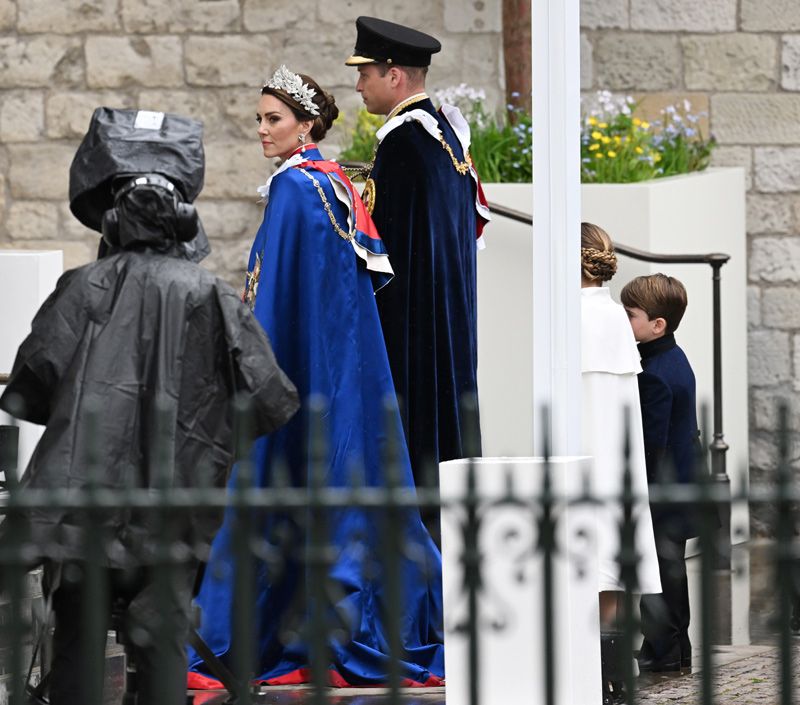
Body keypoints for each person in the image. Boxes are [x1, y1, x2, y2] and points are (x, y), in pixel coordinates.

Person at [0, 107, 300, 705]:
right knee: (161, 640)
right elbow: (271, 398)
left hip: (86, 509)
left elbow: (30, 387)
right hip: (175, 508)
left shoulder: (81, 288)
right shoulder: (210, 294)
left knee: (79, 645)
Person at [187, 67, 445, 689]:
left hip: (298, 370)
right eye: (259, 119)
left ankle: (259, 638)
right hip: (341, 370)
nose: (262, 131)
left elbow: (271, 296)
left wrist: (254, 370)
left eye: (273, 119)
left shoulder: (297, 189)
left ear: (306, 124)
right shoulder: (331, 182)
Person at [345, 17, 491, 513]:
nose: (358, 84)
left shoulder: (405, 143)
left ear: (394, 76)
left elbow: (392, 258)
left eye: (365, 73)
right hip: (447, 325)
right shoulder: (444, 134)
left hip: (416, 335)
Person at [580, 223, 662, 705]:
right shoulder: (615, 317)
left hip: (582, 453)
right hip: (615, 459)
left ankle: (597, 671)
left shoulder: (567, 314)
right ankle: (615, 675)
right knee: (611, 557)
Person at [621, 273, 699, 673]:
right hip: (683, 485)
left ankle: (662, 652)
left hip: (662, 492)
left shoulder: (651, 371)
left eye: (630, 314)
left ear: (657, 325)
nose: (623, 320)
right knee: (672, 573)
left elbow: (653, 444)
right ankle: (676, 648)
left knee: (658, 576)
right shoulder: (676, 357)